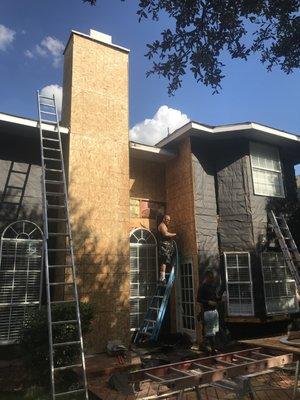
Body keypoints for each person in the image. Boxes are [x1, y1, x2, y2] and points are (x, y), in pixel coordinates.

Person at [197, 269, 220, 354]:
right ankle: (211, 349)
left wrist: (220, 298)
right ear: (206, 278)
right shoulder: (202, 287)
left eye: (212, 278)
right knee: (209, 332)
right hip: (207, 312)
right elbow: (198, 299)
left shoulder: (213, 287)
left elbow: (215, 297)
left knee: (213, 331)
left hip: (214, 311)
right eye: (210, 278)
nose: (212, 279)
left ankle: (207, 347)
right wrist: (208, 302)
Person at [157, 215, 176, 284]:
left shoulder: (164, 225)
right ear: (164, 219)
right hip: (163, 246)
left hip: (166, 246)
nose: (168, 221)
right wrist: (174, 234)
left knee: (165, 260)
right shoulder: (162, 225)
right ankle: (162, 278)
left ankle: (163, 277)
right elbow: (165, 234)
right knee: (164, 261)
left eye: (169, 220)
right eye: (167, 220)